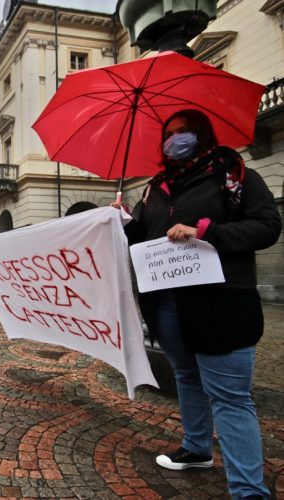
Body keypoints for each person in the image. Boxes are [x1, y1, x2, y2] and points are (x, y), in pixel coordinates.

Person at [114, 109, 280, 499]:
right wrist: (121, 220)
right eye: (169, 135)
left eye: (184, 132)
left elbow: (268, 226)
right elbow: (142, 236)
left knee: (230, 398)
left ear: (201, 135)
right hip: (167, 306)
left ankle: (249, 491)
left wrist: (207, 231)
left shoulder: (233, 174)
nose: (175, 140)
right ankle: (196, 449)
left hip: (220, 306)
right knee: (187, 377)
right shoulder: (156, 188)